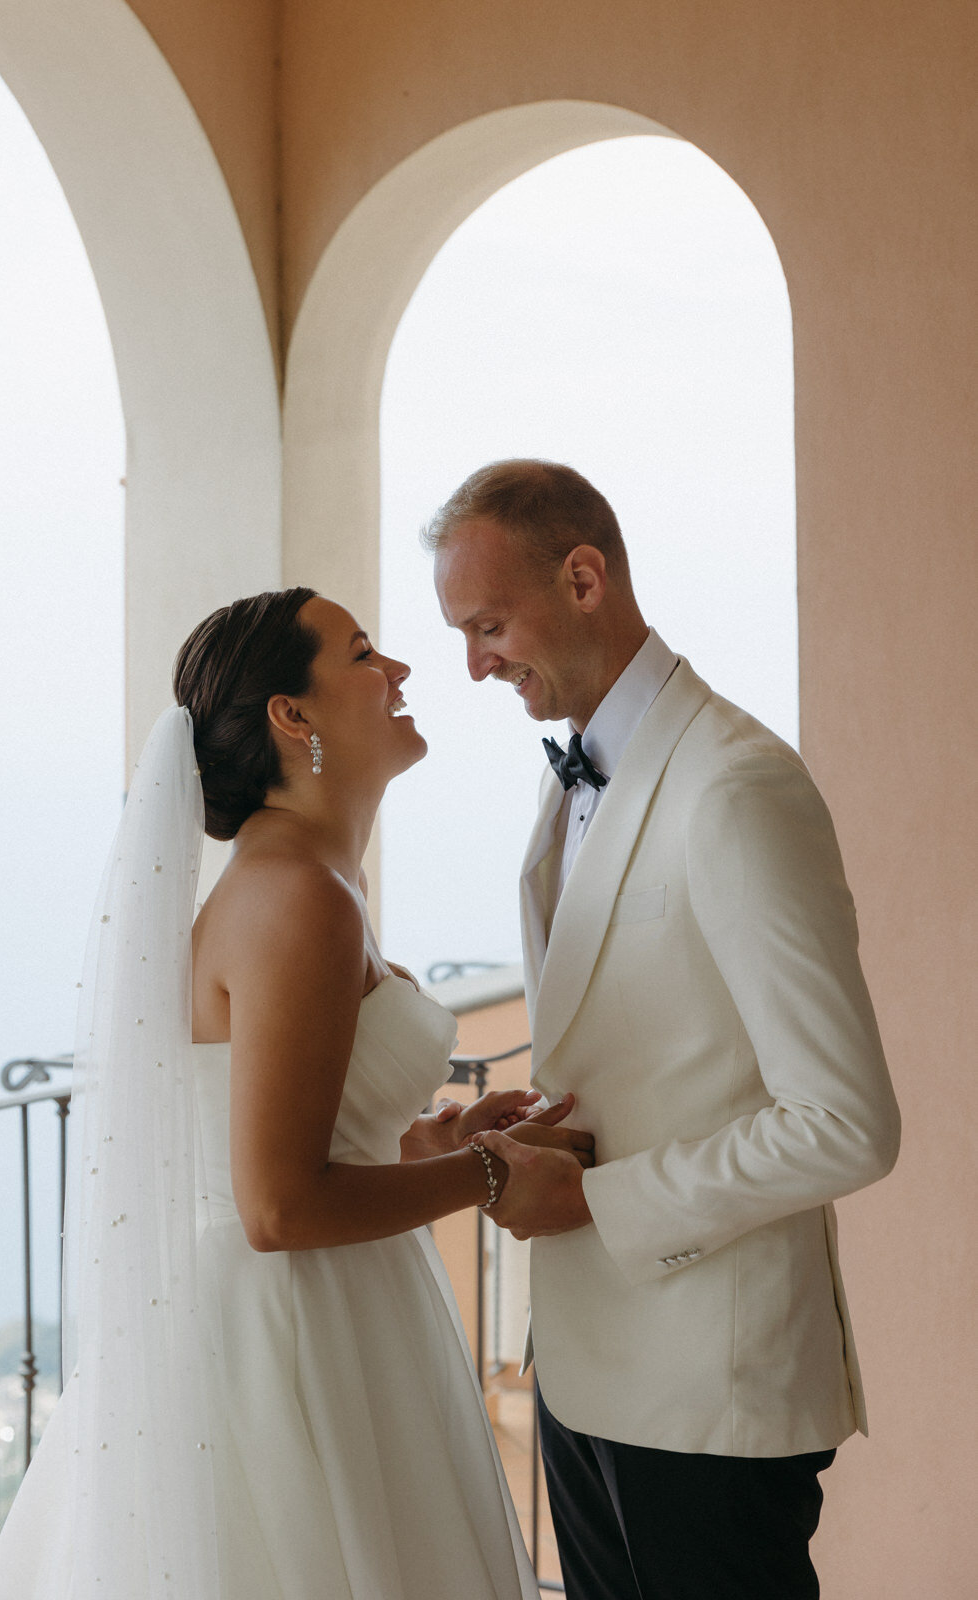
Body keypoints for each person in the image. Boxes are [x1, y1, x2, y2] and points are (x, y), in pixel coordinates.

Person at [0, 586, 594, 1600]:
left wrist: (432, 1143)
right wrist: (487, 1177)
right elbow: (276, 1205)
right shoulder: (294, 893)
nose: (396, 671)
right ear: (290, 715)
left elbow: (301, 1143)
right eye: (361, 654)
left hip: (333, 1305)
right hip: (285, 1339)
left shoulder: (309, 875)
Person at [429, 460, 901, 1600]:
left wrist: (593, 1198)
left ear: (583, 577)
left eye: (488, 624)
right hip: (586, 1373)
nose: (473, 663)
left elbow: (845, 1124)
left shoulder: (735, 787)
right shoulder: (572, 781)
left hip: (708, 1392)